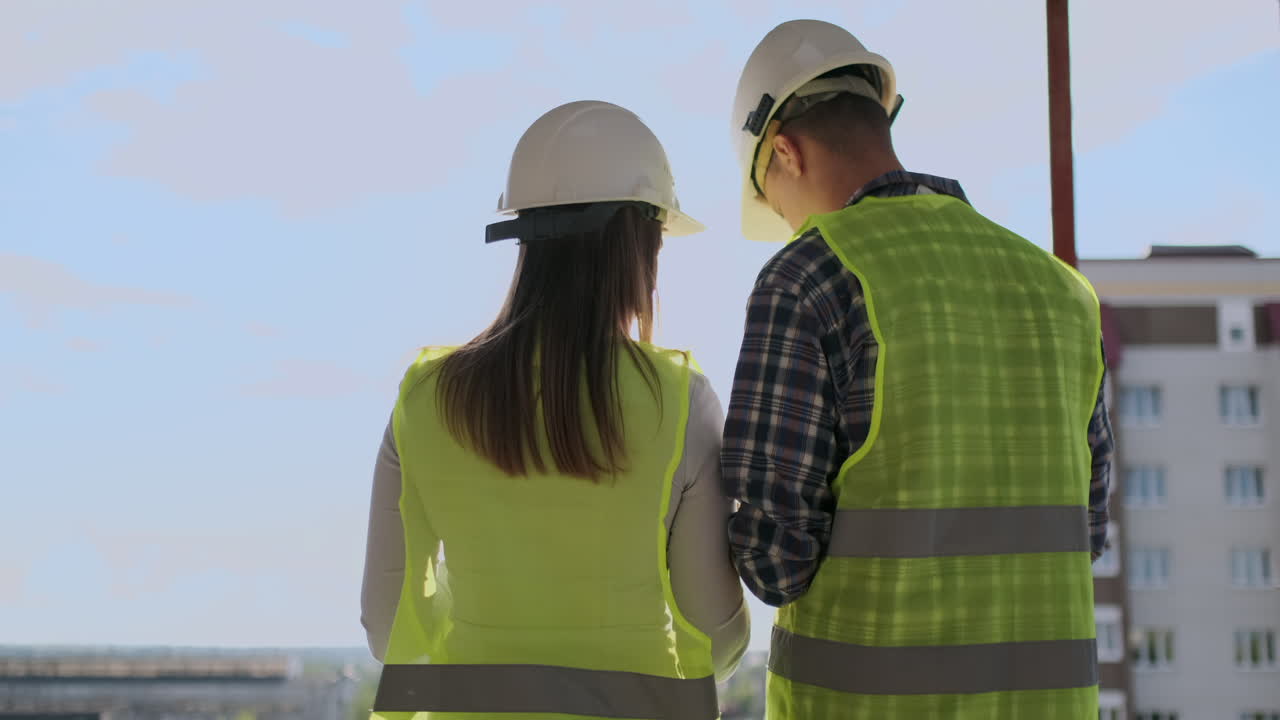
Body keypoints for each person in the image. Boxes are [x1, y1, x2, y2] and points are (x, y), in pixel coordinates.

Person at [721, 20, 1114, 719]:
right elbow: (1084, 531)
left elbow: (774, 561)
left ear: (784, 149)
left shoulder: (808, 277)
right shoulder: (1060, 292)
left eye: (775, 203)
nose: (788, 224)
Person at [360, 100, 749, 720]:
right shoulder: (679, 402)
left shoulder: (424, 398)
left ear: (523, 237)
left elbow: (386, 628)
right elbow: (720, 640)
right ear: (639, 244)